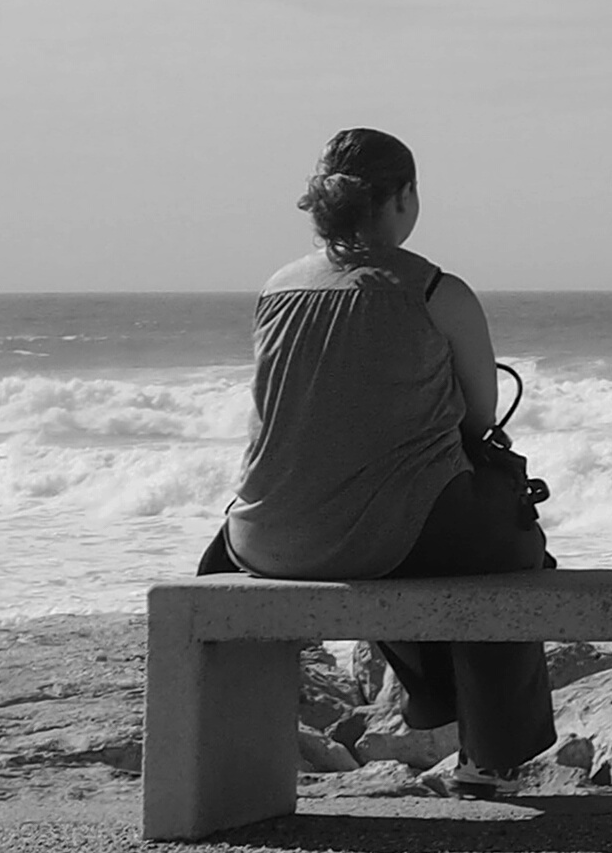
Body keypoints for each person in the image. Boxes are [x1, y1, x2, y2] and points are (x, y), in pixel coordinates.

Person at [208, 128, 561, 794]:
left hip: (265, 539)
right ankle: (493, 756)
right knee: (507, 546)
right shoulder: (435, 290)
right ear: (401, 197)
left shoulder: (276, 288)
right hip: (386, 537)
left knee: (399, 527)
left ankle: (419, 706)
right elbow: (480, 419)